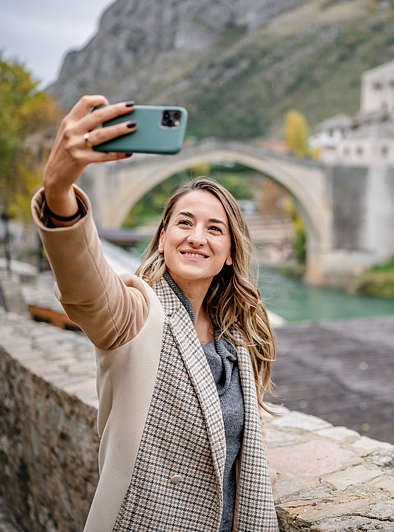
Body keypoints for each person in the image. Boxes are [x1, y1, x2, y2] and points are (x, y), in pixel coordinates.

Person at [31, 95, 279, 531]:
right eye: (184, 223)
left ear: (228, 254)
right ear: (163, 238)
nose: (197, 237)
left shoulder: (236, 340)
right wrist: (58, 191)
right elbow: (88, 289)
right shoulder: (136, 315)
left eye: (214, 229)